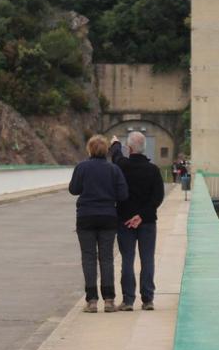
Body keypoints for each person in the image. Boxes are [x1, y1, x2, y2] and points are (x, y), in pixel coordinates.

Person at [69, 134, 128, 313]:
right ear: (106, 150)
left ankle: (92, 300)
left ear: (89, 149)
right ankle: (109, 300)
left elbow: (74, 190)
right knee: (107, 258)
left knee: (88, 258)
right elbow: (123, 194)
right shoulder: (114, 169)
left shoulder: (82, 167)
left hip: (86, 216)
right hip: (108, 216)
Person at [110, 132, 165, 311]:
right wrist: (141, 216)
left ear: (130, 148)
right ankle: (147, 299)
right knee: (147, 259)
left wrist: (115, 144)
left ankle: (128, 300)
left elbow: (116, 156)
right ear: (144, 148)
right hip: (147, 222)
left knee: (127, 259)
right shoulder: (153, 170)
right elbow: (158, 197)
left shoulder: (123, 166)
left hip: (125, 221)